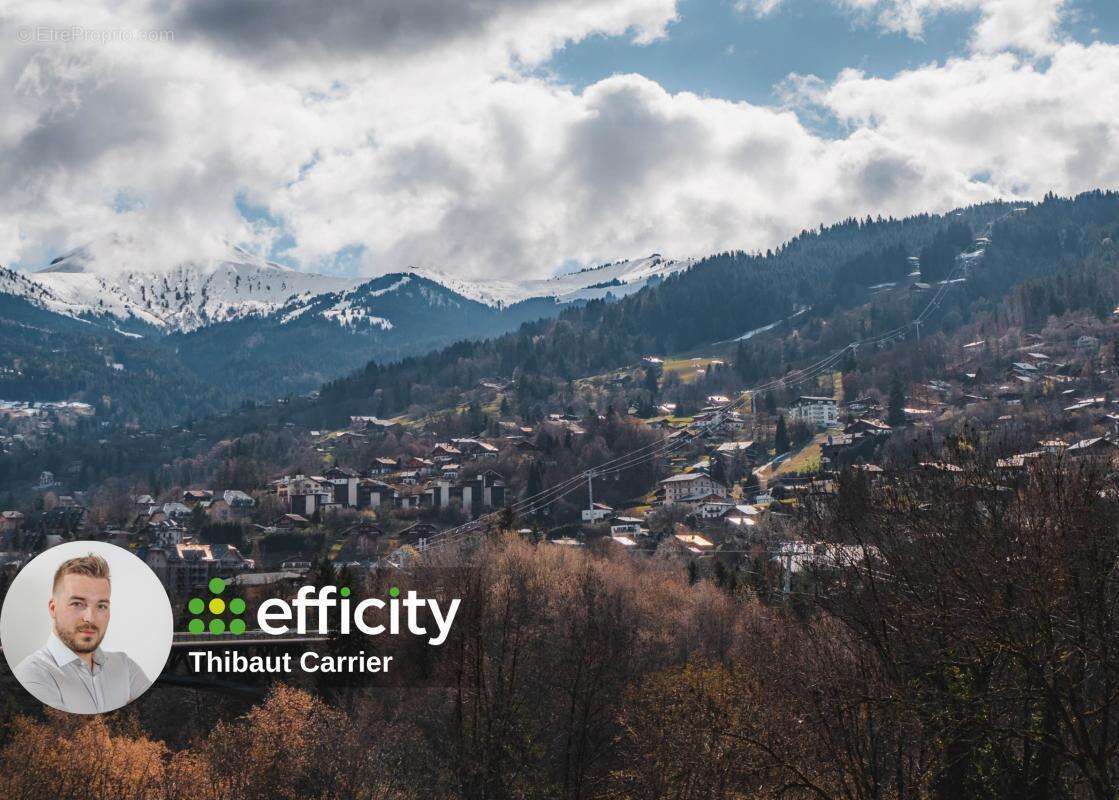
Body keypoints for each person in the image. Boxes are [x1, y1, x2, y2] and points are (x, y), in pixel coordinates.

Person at [13, 553, 151, 714]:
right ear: (53, 608)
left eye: (101, 606)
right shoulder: (32, 674)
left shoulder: (124, 665)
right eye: (77, 604)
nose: (90, 618)